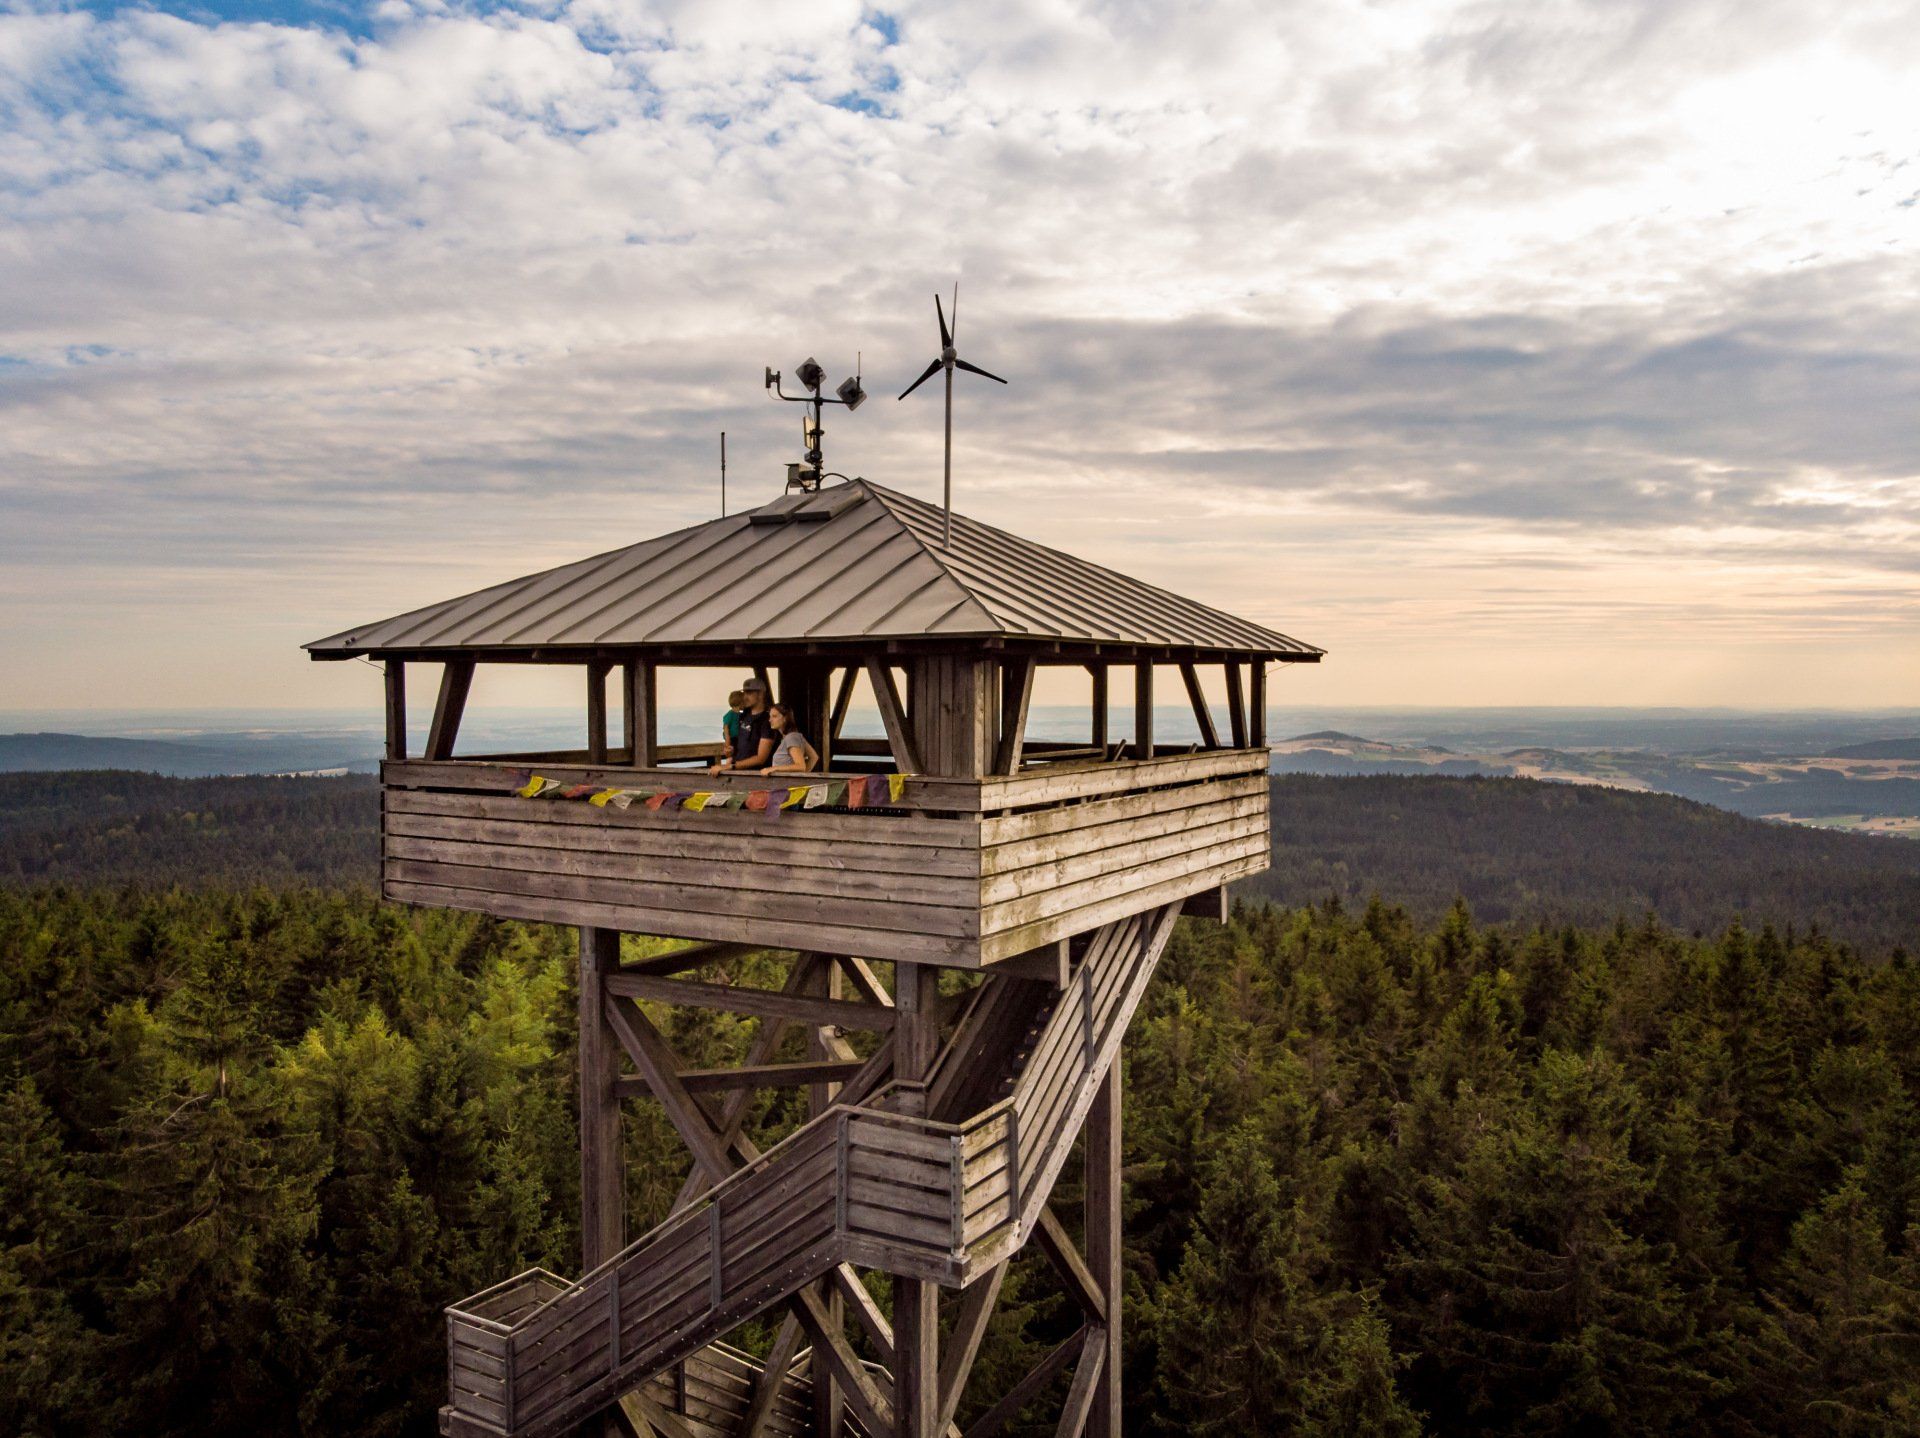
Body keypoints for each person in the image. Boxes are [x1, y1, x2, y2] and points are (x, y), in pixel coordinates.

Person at [711, 676, 776, 774]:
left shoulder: (767, 721)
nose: (745, 697)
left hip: (757, 776)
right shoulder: (743, 716)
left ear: (760, 694)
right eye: (744, 693)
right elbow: (738, 745)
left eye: (749, 693)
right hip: (739, 773)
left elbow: (761, 758)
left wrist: (731, 766)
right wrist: (730, 751)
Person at [765, 702, 819, 773]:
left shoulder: (791, 737)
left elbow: (800, 766)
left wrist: (774, 768)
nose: (770, 720)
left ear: (785, 718)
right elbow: (814, 757)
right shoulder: (794, 736)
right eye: (770, 716)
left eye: (774, 716)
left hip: (785, 780)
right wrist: (802, 776)